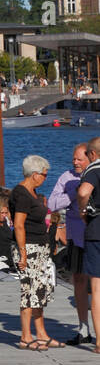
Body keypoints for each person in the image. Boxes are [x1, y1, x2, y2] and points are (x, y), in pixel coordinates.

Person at [11, 156, 59, 350]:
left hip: (40, 247)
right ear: (35, 174)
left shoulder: (32, 192)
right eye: (45, 175)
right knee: (29, 291)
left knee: (40, 292)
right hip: (28, 248)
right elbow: (18, 225)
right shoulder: (21, 194)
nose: (46, 178)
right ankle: (25, 336)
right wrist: (22, 254)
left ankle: (41, 333)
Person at [48, 142, 93, 346]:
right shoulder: (67, 177)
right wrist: (74, 193)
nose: (75, 162)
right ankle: (83, 328)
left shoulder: (96, 174)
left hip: (95, 235)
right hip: (76, 236)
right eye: (73, 158)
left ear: (90, 157)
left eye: (79, 159)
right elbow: (52, 204)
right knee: (79, 281)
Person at [73, 137, 100, 352]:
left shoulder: (93, 169)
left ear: (92, 154)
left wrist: (83, 210)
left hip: (97, 230)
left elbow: (83, 192)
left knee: (97, 289)